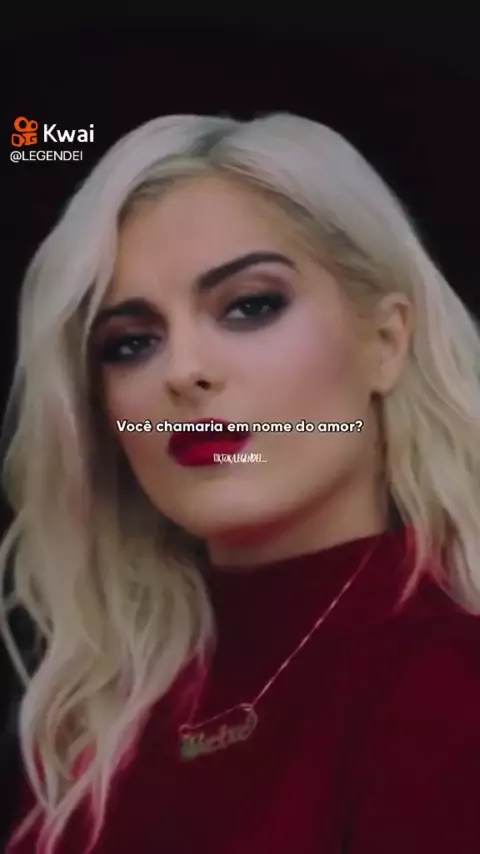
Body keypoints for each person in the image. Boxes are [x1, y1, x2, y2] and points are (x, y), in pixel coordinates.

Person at [1, 111, 480, 854]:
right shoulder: (93, 723)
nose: (184, 371)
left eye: (251, 306)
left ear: (385, 342)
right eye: (131, 343)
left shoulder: (447, 688)